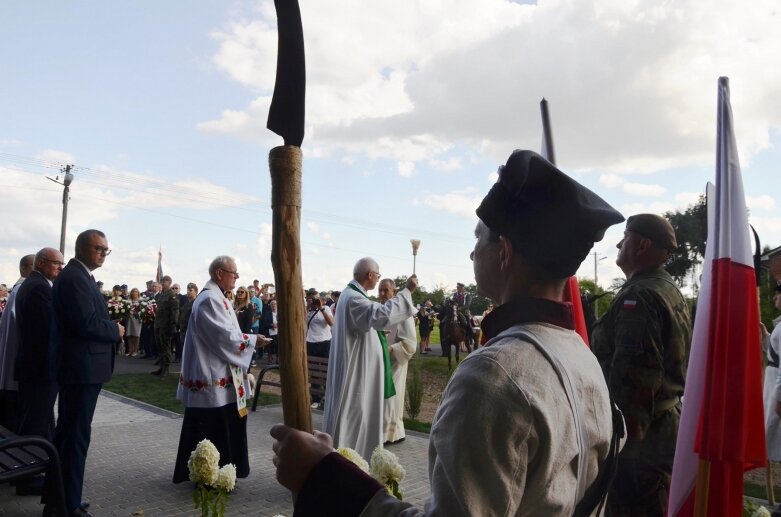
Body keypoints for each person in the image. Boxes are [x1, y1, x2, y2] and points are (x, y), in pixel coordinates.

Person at [271, 150, 626, 515]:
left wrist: (324, 476)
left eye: (479, 239)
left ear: (503, 252)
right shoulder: (584, 358)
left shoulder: (493, 375)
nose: (473, 254)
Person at [591, 213, 692, 517]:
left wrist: (619, 446)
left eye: (625, 237)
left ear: (642, 245)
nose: (619, 243)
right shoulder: (666, 287)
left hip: (641, 441)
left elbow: (635, 380)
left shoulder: (641, 296)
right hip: (661, 426)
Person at [45, 229, 124, 517]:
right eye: (98, 248)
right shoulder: (75, 278)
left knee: (70, 436)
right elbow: (85, 323)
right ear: (81, 248)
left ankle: (62, 497)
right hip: (80, 370)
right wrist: (114, 330)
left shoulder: (80, 277)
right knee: (75, 437)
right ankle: (67, 505)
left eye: (106, 249)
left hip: (83, 369)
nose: (103, 253)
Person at [172, 256, 269, 484]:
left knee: (225, 423)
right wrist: (254, 340)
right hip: (211, 375)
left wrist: (250, 340)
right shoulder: (209, 300)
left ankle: (225, 473)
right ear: (219, 273)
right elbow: (224, 337)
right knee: (212, 428)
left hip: (223, 374)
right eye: (233, 273)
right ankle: (208, 475)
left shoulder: (218, 297)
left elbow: (228, 333)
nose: (237, 278)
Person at [321, 257, 418, 460]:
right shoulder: (354, 299)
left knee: (357, 424)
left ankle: (352, 464)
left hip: (357, 372)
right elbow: (380, 316)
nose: (378, 283)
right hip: (355, 377)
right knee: (353, 425)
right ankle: (350, 466)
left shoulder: (351, 296)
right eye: (378, 277)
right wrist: (407, 292)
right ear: (370, 275)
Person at [378, 278, 417, 445]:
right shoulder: (379, 310)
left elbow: (410, 343)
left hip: (394, 363)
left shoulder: (403, 313)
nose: (382, 294)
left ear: (394, 291)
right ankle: (379, 431)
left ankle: (390, 433)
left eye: (386, 290)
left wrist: (392, 348)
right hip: (379, 361)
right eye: (380, 290)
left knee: (390, 399)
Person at [0, 254, 35, 430]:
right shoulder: (23, 289)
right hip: (18, 355)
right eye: (33, 265)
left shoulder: (21, 288)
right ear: (23, 268)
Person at [305, 288, 334, 406]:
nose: (312, 301)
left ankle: (328, 395)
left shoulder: (326, 308)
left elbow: (331, 323)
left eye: (314, 299)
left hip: (325, 342)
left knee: (327, 370)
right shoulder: (307, 310)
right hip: (311, 342)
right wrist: (307, 308)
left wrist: (321, 308)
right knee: (314, 371)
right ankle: (316, 398)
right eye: (309, 299)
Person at [763, 283, 781, 460]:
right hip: (773, 381)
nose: (775, 297)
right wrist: (766, 336)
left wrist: (779, 397)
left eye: (778, 294)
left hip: (777, 385)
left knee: (773, 427)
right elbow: (775, 352)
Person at [152, 275, 179, 377]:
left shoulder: (171, 295)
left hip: (166, 325)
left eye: (164, 282)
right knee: (160, 346)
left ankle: (166, 369)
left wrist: (173, 324)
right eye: (162, 282)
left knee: (166, 347)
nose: (162, 283)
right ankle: (161, 367)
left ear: (169, 282)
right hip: (158, 324)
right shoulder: (162, 294)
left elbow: (175, 311)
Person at [126, 288, 142, 357]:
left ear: (138, 293)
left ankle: (135, 351)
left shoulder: (141, 300)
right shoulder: (128, 301)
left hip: (137, 319)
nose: (134, 293)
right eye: (133, 292)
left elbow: (142, 310)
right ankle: (130, 351)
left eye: (136, 292)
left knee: (136, 335)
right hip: (129, 319)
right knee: (130, 335)